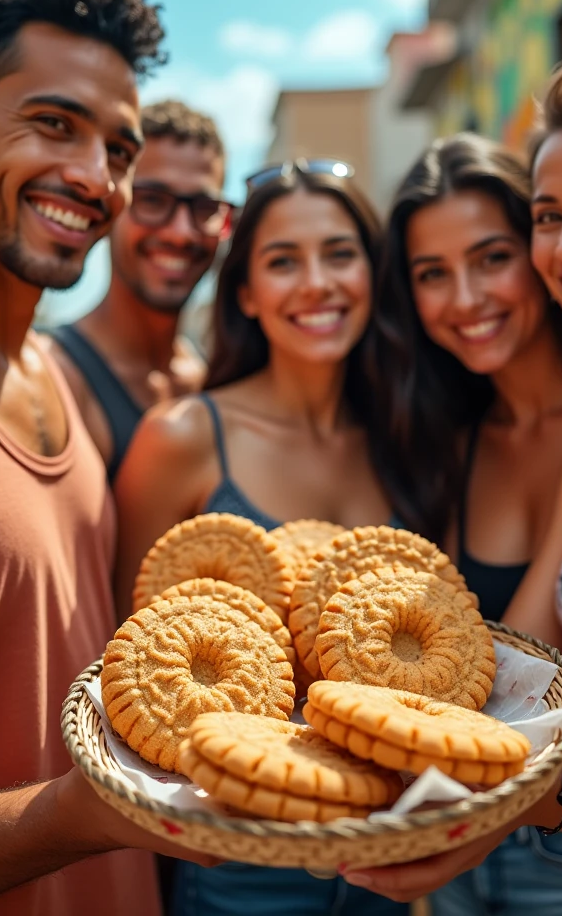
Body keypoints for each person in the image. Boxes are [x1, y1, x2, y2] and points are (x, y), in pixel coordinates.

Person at [339, 50, 562, 912]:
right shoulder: (498, 440)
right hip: (524, 848)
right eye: (432, 274)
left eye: (492, 256)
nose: (466, 298)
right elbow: (495, 674)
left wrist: (516, 795)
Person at [0, 0, 216, 914]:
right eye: (53, 125)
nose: (95, 176)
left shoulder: (58, 383)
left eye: (117, 148)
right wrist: (87, 813)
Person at [114, 158, 409, 915]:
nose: (317, 283)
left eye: (340, 253)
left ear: (372, 273)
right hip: (234, 866)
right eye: (283, 261)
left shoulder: (406, 435)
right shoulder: (182, 437)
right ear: (245, 292)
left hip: (384, 859)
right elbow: (126, 664)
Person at [43, 100, 231, 481]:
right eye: (152, 201)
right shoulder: (53, 377)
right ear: (114, 204)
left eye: (203, 207)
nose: (180, 232)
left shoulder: (213, 381)